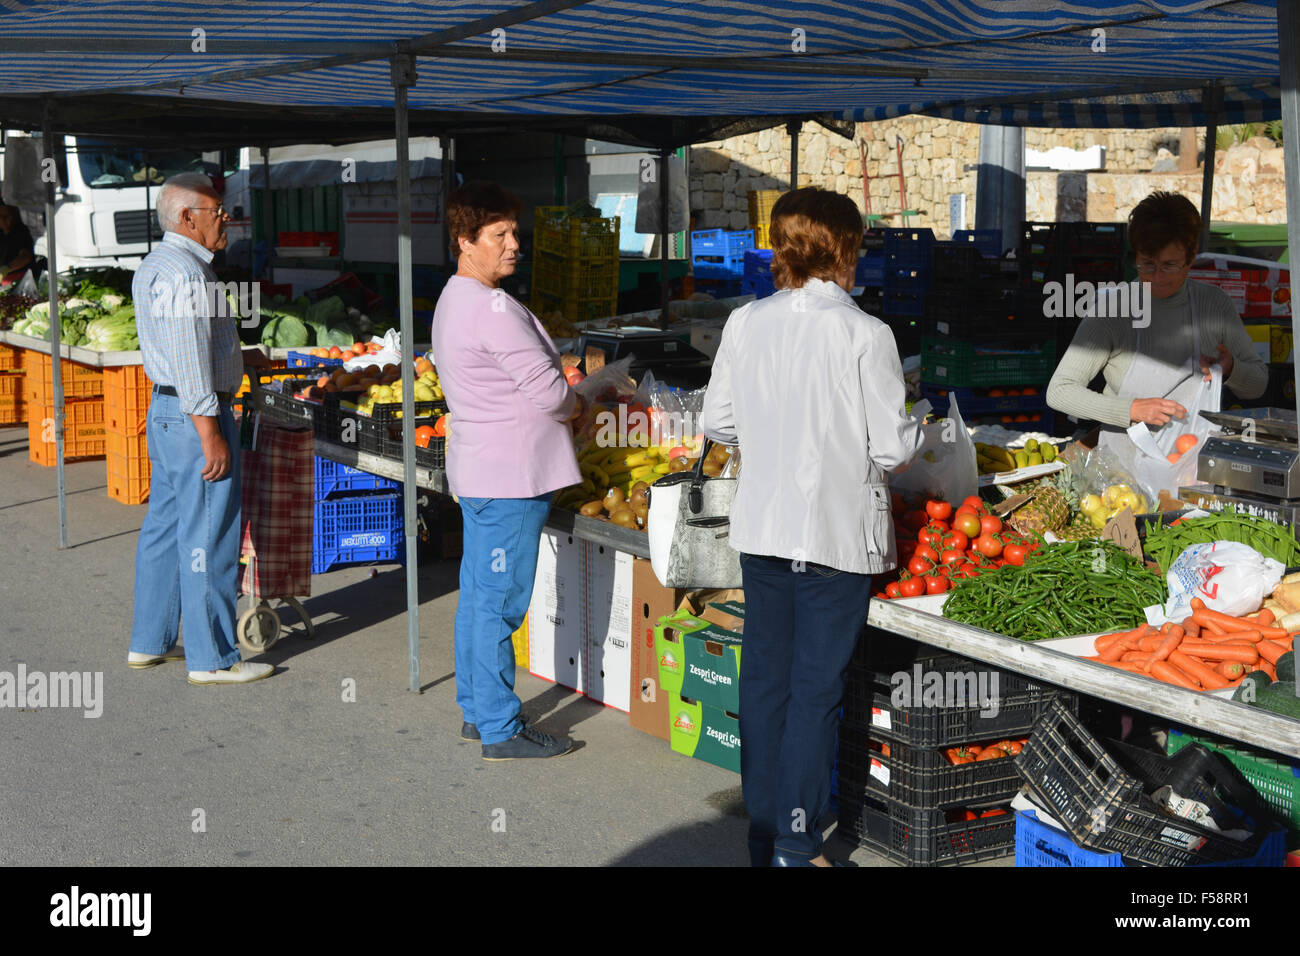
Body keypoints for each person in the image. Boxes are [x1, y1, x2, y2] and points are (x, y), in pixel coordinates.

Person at [700, 187, 924, 867]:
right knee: (814, 694)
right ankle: (798, 848)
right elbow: (892, 449)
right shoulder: (867, 335)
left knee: (766, 684)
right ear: (845, 249)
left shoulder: (746, 322)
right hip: (832, 540)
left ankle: (766, 833)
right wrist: (922, 427)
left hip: (764, 532)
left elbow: (718, 423)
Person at [430, 180, 586, 761]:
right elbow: (550, 393)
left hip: (481, 470)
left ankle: (477, 708)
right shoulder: (491, 309)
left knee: (478, 595)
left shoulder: (456, 297)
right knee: (498, 602)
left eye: (514, 232)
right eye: (500, 235)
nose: (513, 244)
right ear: (465, 241)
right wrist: (582, 404)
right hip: (512, 477)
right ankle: (499, 726)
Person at [128, 172, 273, 685]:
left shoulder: (157, 264)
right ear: (188, 217)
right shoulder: (188, 274)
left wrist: (237, 353)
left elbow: (181, 346)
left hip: (167, 414)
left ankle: (150, 640)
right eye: (217, 210)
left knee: (166, 529)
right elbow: (188, 358)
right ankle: (212, 658)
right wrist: (211, 432)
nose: (226, 218)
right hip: (195, 416)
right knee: (208, 536)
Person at [1047, 191, 1267, 430]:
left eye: (1169, 265)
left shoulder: (1214, 303)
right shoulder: (1113, 310)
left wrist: (1232, 368)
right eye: (1148, 264)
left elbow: (1258, 384)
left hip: (1193, 457)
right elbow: (1060, 390)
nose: (1158, 277)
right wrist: (1129, 409)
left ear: (1191, 258)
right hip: (1123, 461)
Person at [0, 204, 35, 286]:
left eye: (6, 216)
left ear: (13, 216)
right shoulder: (1, 233)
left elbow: (25, 257)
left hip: (21, 279)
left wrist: (6, 269)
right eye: (0, 216)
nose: (2, 220)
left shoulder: (21, 232)